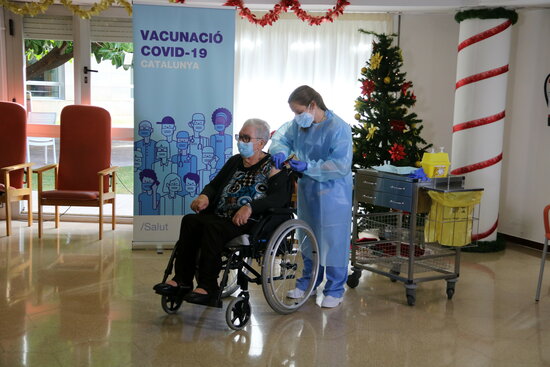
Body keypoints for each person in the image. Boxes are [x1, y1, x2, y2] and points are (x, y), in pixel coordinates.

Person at [154, 118, 292, 306]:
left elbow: (278, 198)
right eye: (239, 137)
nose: (240, 142)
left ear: (261, 142)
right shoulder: (235, 161)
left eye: (246, 138)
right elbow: (215, 185)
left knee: (213, 228)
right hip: (221, 214)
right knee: (190, 221)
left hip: (250, 220)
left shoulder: (273, 166)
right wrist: (204, 196)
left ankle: (208, 287)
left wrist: (250, 206)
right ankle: (182, 280)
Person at [269, 85, 352, 308]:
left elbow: (340, 165)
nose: (296, 117)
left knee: (334, 241)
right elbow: (281, 138)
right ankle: (308, 283)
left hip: (334, 194)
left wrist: (309, 165)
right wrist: (279, 151)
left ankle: (335, 289)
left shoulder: (339, 128)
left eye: (298, 111)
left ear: (312, 105)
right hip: (309, 191)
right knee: (308, 238)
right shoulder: (298, 126)